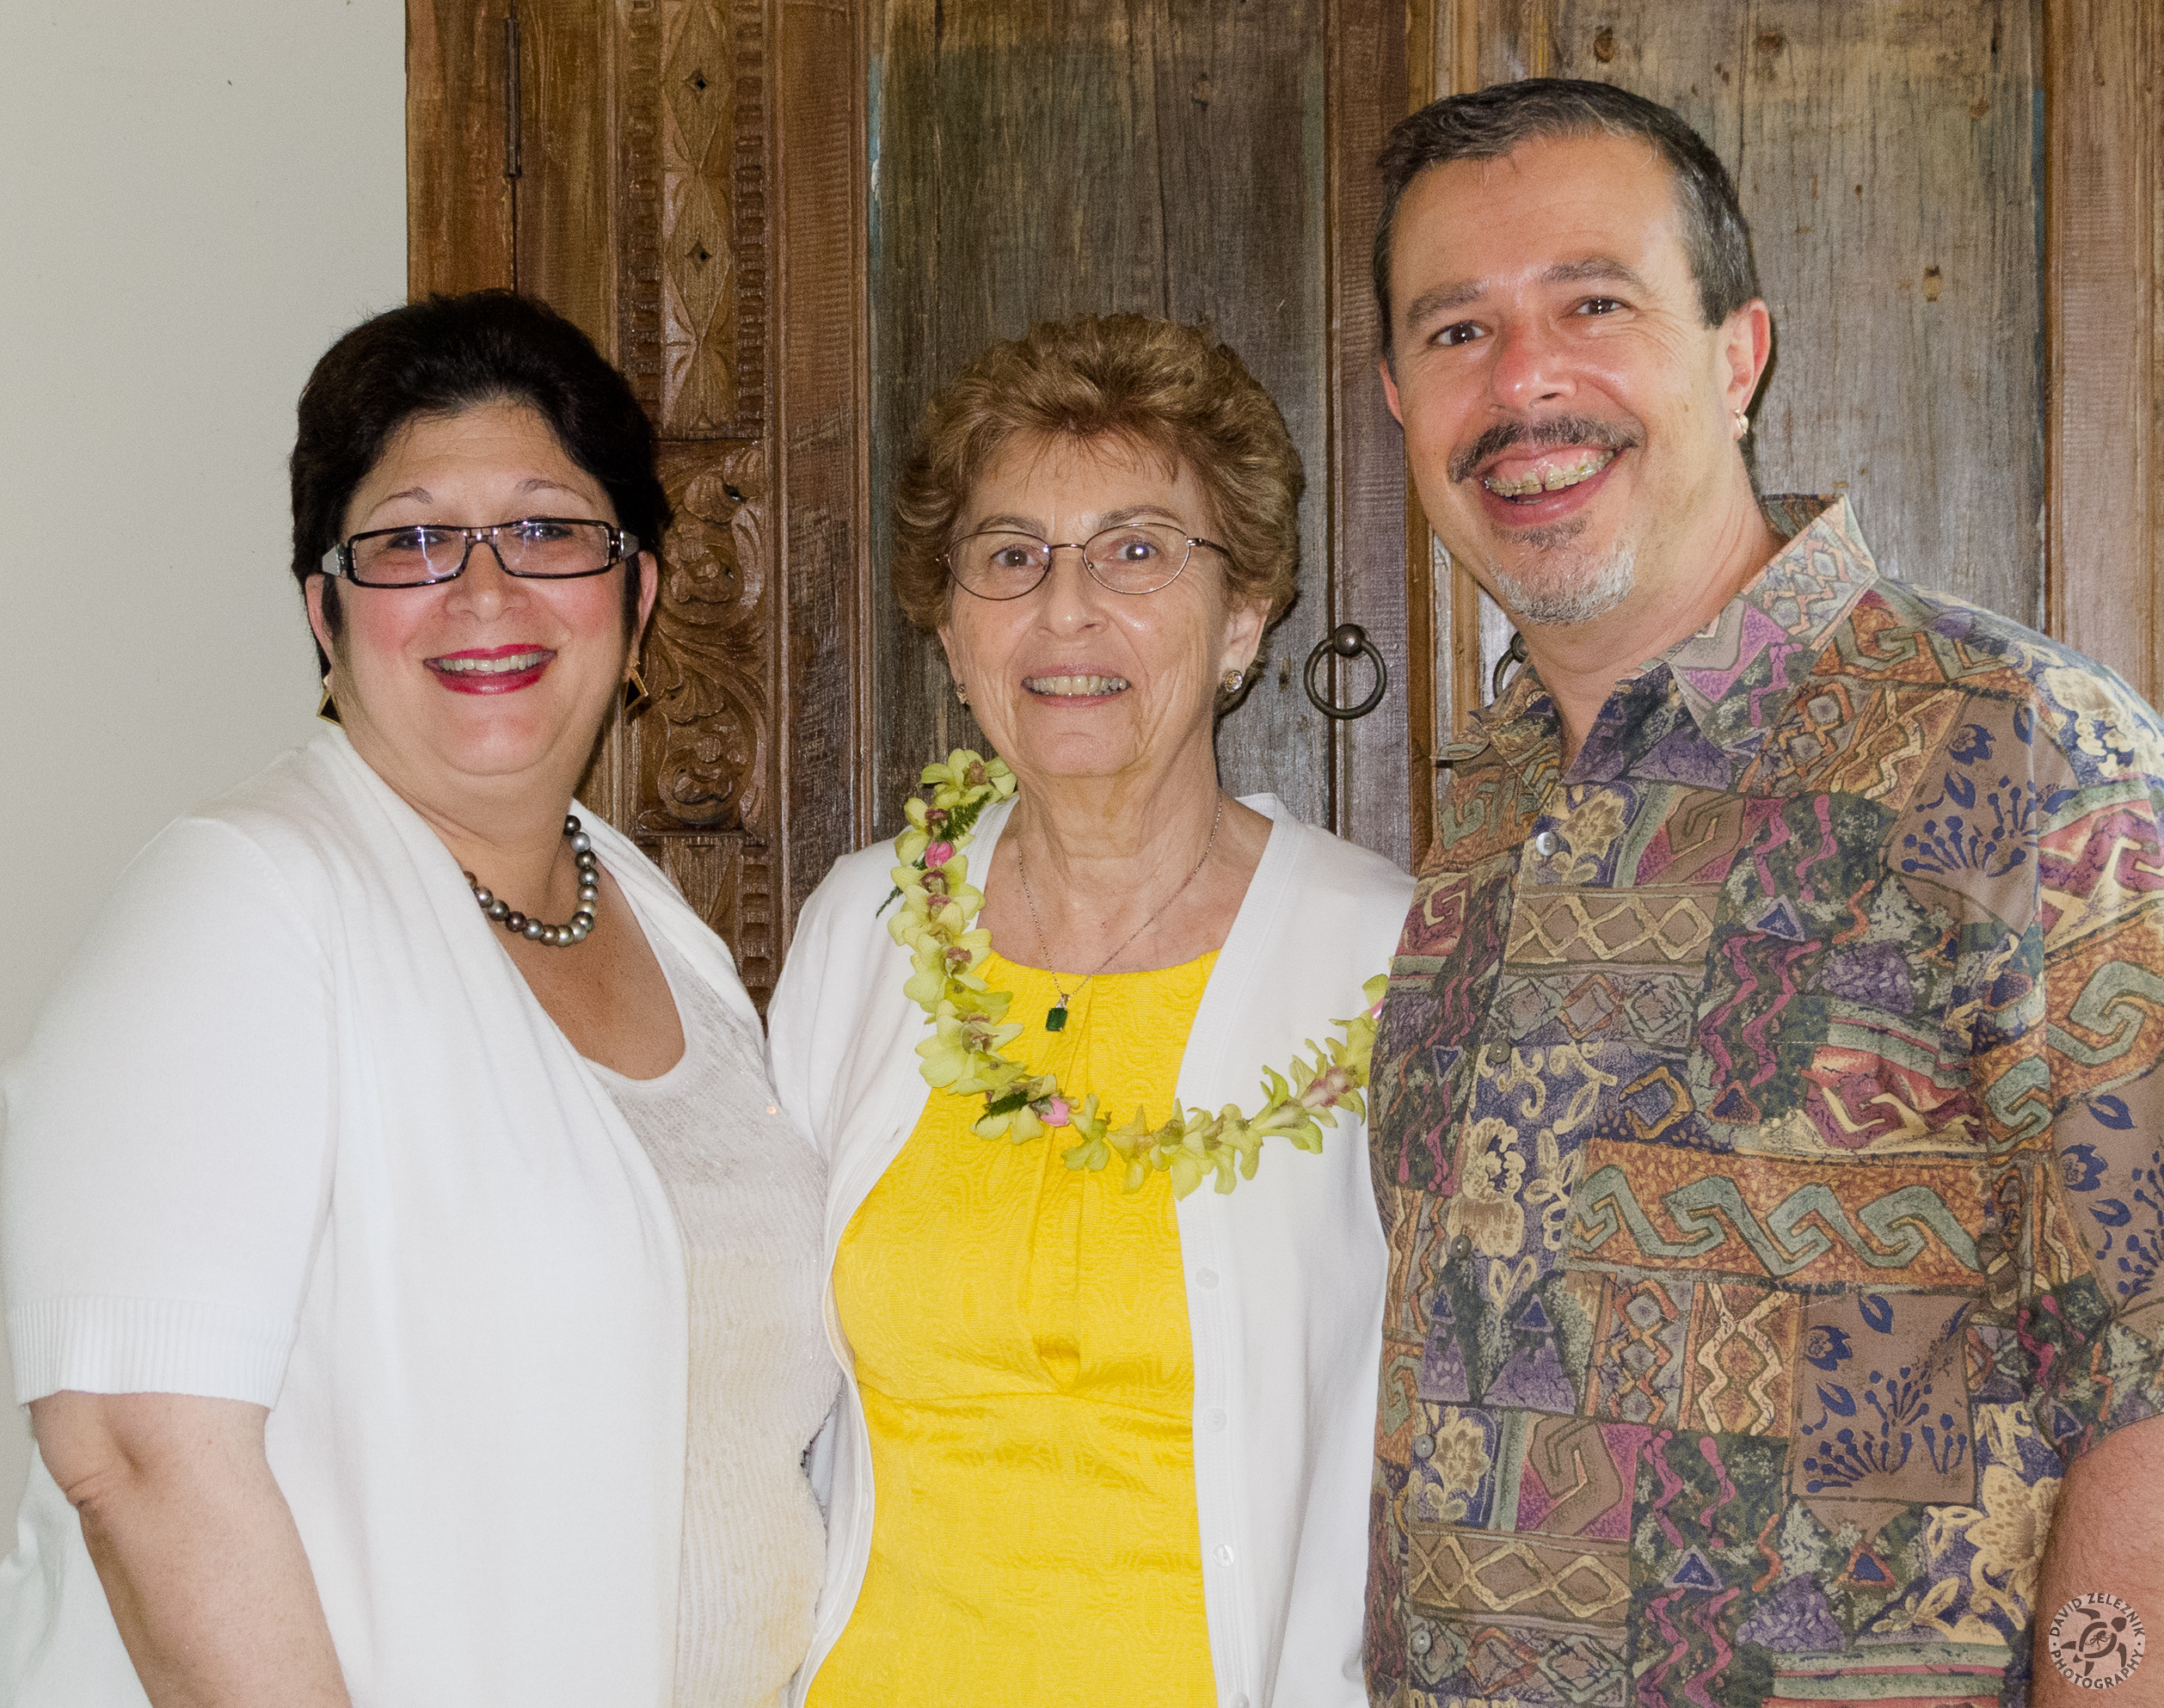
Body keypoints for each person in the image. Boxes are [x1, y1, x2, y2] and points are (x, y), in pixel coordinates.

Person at [1361, 76, 2164, 1708]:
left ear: (1740, 356)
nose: (1524, 381)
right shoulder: (1487, 814)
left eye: (1594, 303)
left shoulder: (2017, 750)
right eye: (1457, 331)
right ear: (1396, 401)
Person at [0, 291, 837, 1708]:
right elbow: (135, 1453)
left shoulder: (668, 929)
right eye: (409, 541)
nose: (485, 591)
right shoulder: (244, 898)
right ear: (322, 613)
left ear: (637, 598)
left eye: (548, 530)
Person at [767, 313, 1412, 1708]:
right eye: (1010, 557)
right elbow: (751, 1389)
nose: (1065, 611)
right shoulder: (865, 927)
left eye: (1136, 551)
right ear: (952, 628)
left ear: (1242, 615)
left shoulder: (1386, 954)